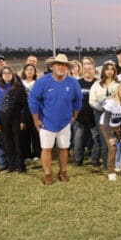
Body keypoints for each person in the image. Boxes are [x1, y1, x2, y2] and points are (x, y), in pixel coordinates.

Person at [29, 54, 83, 185]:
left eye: (63, 65)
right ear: (52, 66)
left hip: (65, 122)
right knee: (46, 148)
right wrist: (36, 120)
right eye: (58, 64)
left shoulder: (73, 82)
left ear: (67, 67)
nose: (61, 67)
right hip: (46, 122)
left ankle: (62, 171)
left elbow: (78, 100)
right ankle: (48, 173)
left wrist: (74, 116)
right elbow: (33, 100)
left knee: (64, 148)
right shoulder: (42, 81)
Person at [0, 65, 28, 173]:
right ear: (1, 75)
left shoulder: (19, 88)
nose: (7, 75)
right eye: (5, 73)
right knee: (7, 143)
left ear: (13, 74)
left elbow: (24, 106)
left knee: (18, 142)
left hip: (16, 119)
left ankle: (20, 164)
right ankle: (11, 165)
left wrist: (22, 120)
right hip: (3, 119)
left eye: (9, 73)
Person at [19, 63, 41, 163]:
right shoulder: (20, 83)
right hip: (24, 110)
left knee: (35, 132)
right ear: (24, 71)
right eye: (27, 69)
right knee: (24, 133)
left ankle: (36, 153)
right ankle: (26, 154)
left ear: (34, 72)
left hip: (35, 110)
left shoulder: (38, 83)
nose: (29, 71)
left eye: (31, 69)